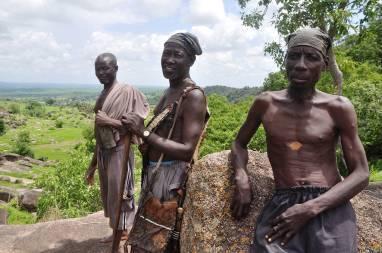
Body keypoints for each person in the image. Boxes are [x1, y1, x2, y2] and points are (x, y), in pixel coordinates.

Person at [230, 28, 369, 253]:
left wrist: (311, 208)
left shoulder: (338, 108)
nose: (300, 64)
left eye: (311, 57)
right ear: (286, 60)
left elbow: (361, 173)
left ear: (324, 65)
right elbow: (238, 144)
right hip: (283, 204)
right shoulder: (266, 103)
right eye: (294, 56)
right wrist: (241, 177)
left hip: (329, 205)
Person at [122, 32, 208, 252]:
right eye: (166, 53)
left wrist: (144, 132)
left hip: (171, 179)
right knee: (146, 239)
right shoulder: (170, 91)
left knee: (159, 242)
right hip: (155, 173)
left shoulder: (193, 96)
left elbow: (187, 150)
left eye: (176, 55)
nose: (169, 59)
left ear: (190, 61)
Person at [85, 53, 149, 249]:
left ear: (116, 68)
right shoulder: (102, 94)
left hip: (120, 150)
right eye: (98, 69)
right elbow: (99, 133)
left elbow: (135, 125)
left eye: (106, 68)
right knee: (110, 195)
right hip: (104, 151)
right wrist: (92, 165)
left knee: (122, 192)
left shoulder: (127, 91)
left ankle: (123, 232)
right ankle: (117, 231)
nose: (102, 72)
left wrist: (108, 121)